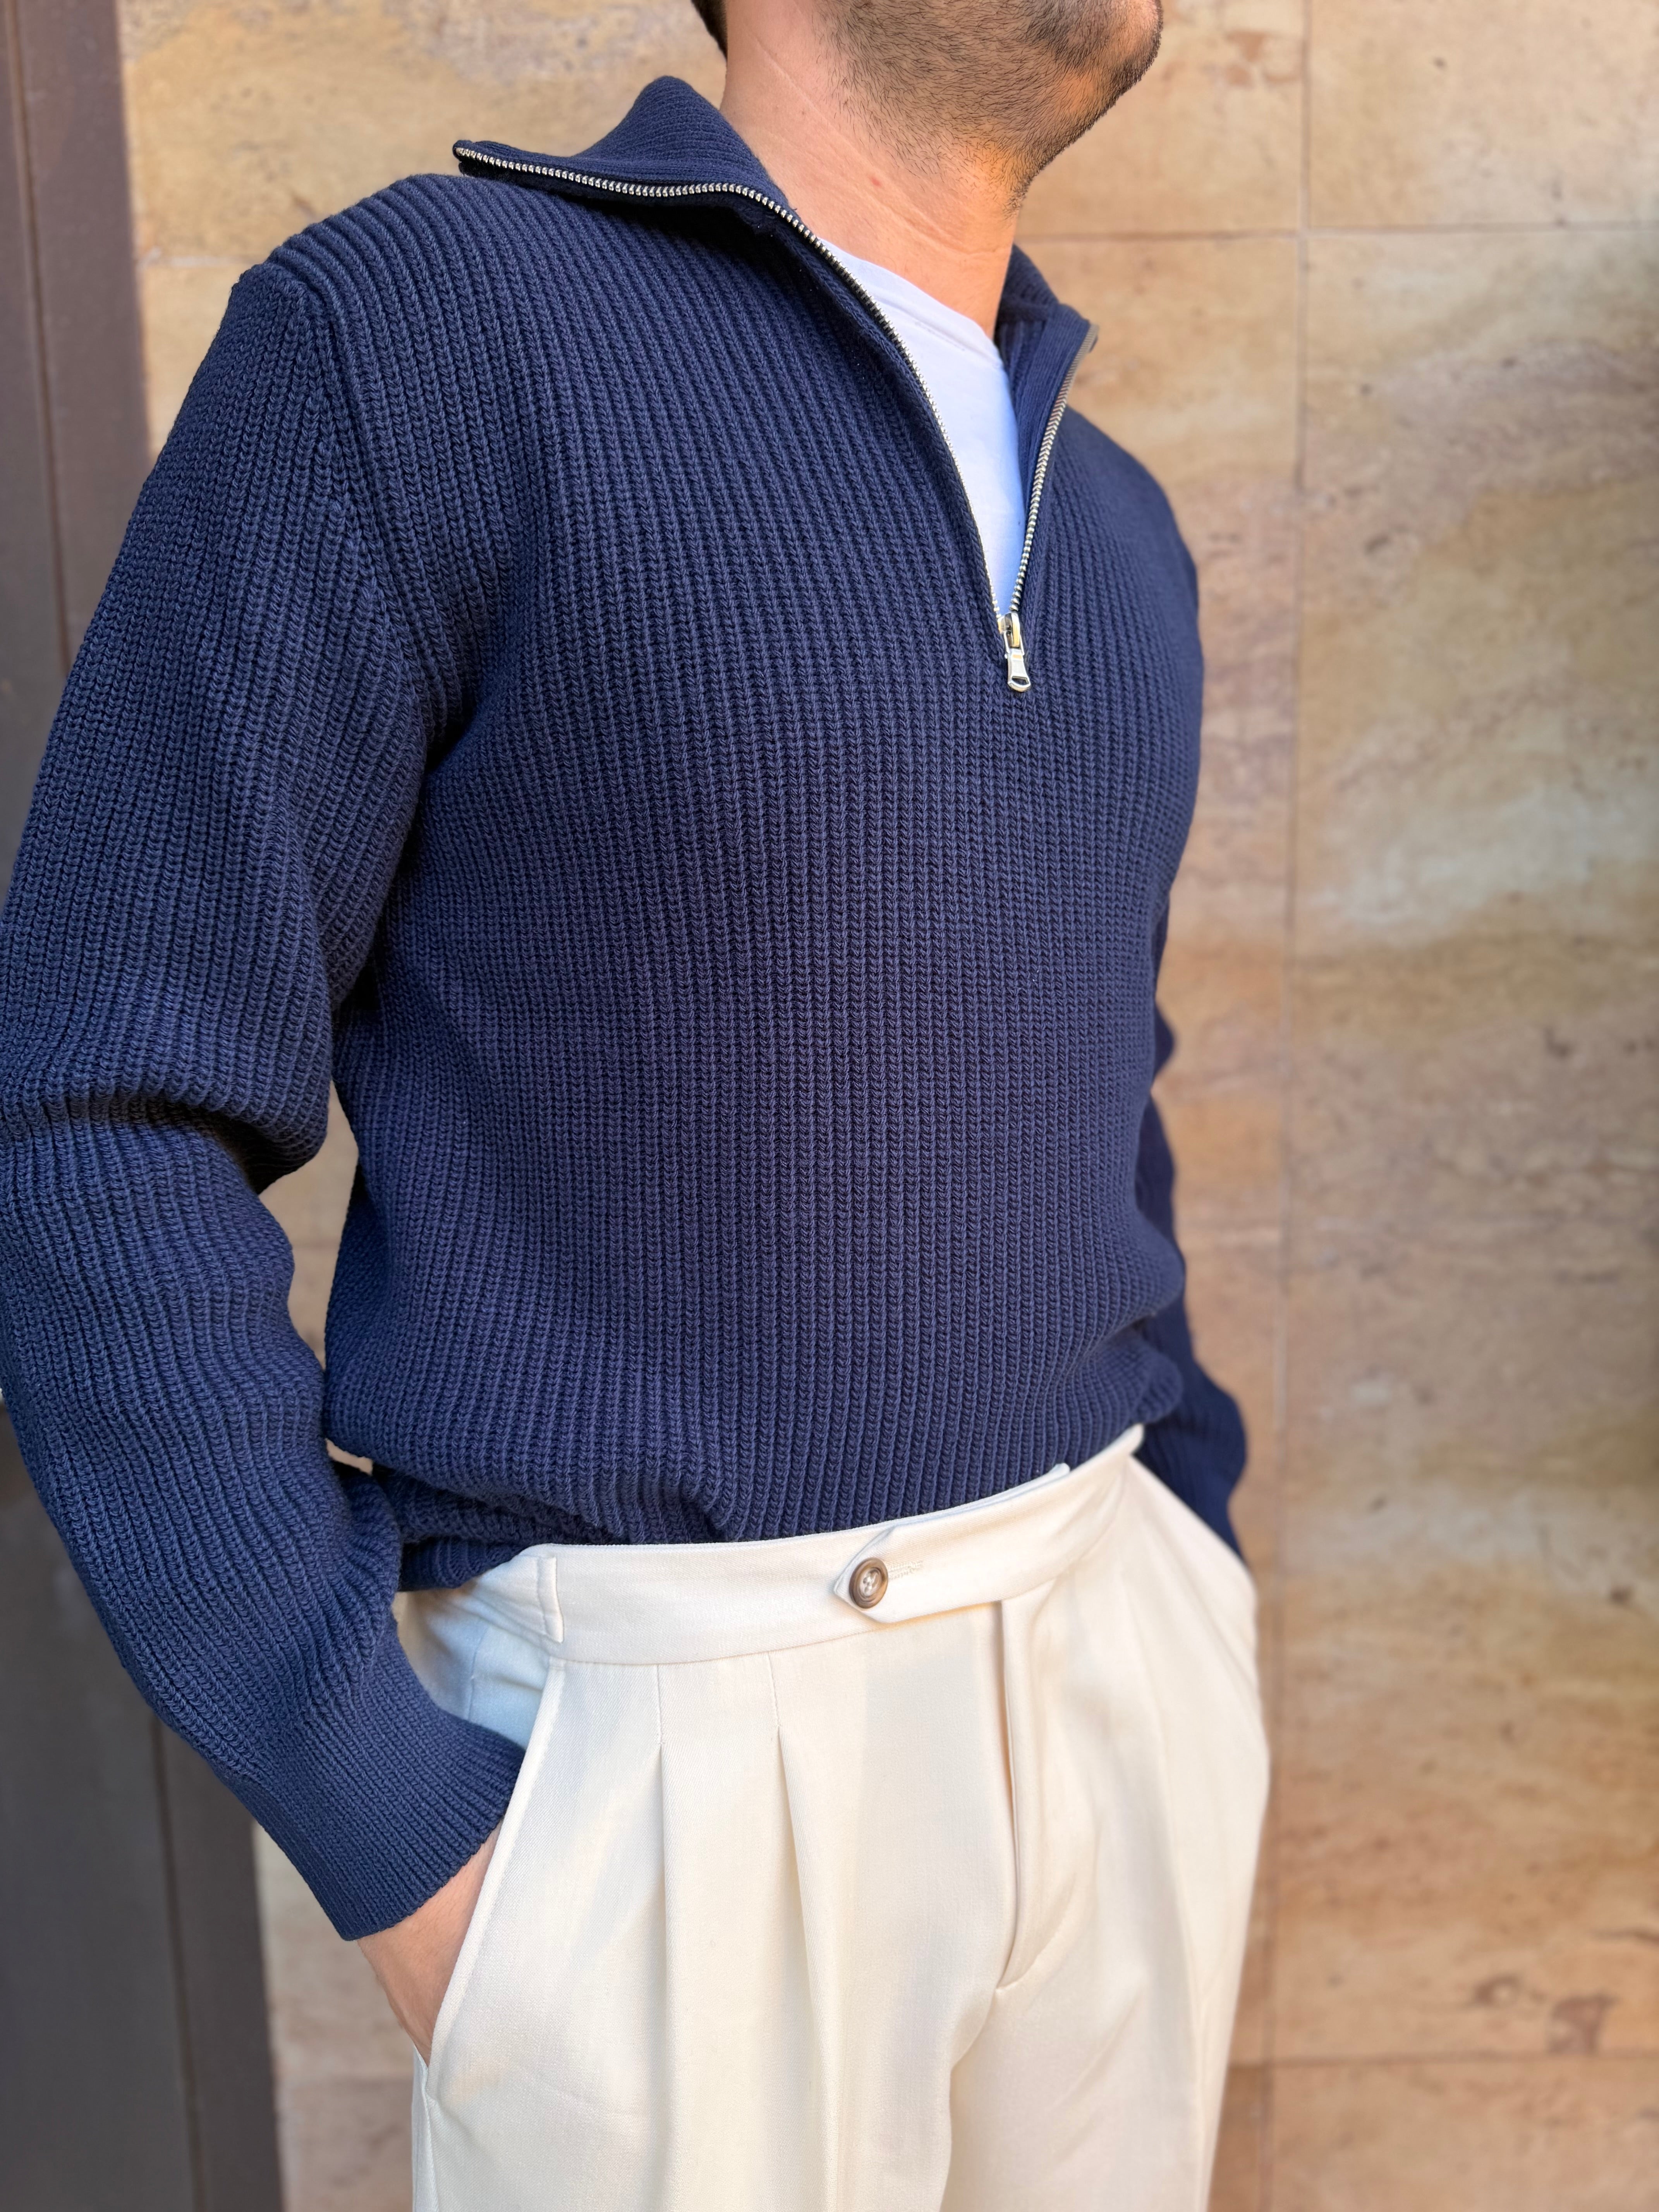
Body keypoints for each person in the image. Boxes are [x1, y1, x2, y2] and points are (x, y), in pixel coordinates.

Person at [0, 0, 1269, 2203]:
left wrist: (1194, 1543)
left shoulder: (1120, 526)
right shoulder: (430, 335)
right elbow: (99, 1106)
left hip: (1118, 1671)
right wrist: (405, 1840)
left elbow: (1104, 1098)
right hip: (679, 1771)